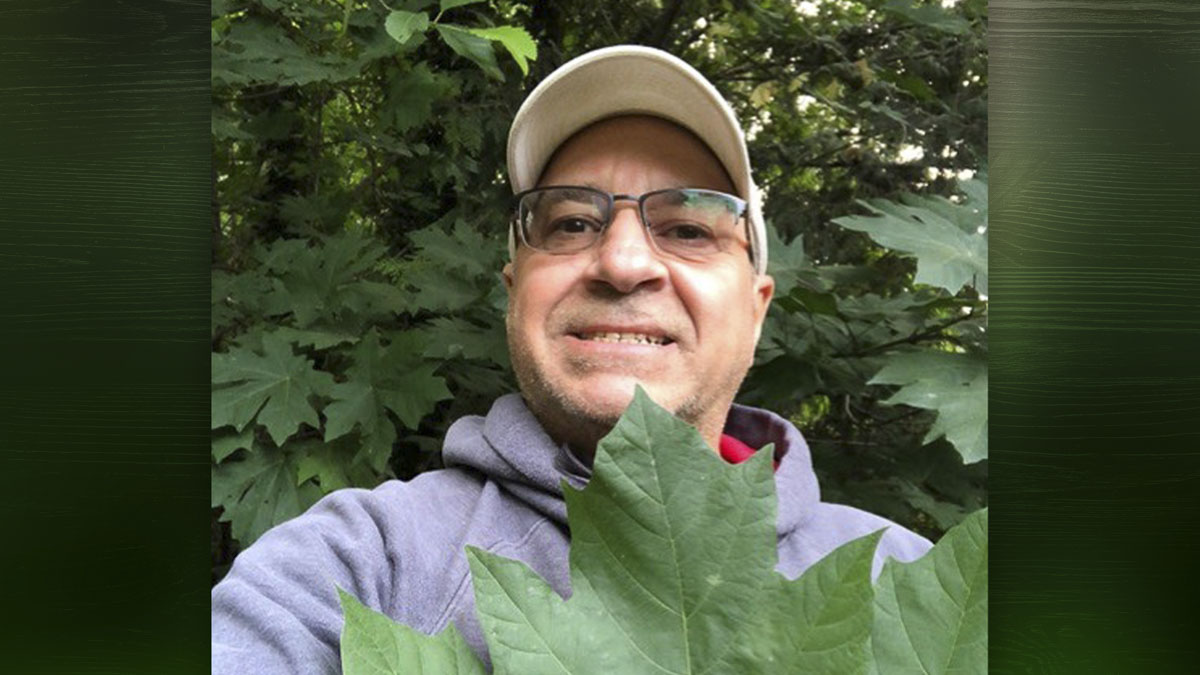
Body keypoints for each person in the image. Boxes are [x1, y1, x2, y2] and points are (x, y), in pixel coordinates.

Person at [211, 45, 931, 674]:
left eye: (687, 227)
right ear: (513, 293)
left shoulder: (909, 580)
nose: (623, 262)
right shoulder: (364, 563)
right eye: (573, 222)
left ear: (756, 307)